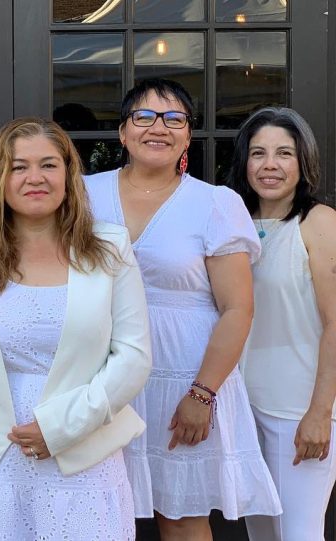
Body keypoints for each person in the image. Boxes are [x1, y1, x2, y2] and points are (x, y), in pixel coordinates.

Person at [0, 117, 151, 540]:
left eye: (49, 165)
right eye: (19, 167)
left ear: (69, 176)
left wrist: (62, 428)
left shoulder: (111, 247)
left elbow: (134, 355)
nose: (35, 177)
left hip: (84, 452)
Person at [85, 78, 280, 539]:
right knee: (96, 508)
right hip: (101, 377)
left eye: (174, 118)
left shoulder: (214, 203)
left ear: (188, 135)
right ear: (123, 132)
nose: (159, 127)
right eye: (145, 116)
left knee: (181, 517)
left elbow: (238, 309)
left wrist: (202, 394)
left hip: (185, 382)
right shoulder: (82, 194)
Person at [226, 107, 336, 541]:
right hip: (242, 408)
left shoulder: (319, 222)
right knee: (261, 535)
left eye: (283, 153)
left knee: (299, 535)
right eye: (258, 153)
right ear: (245, 162)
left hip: (299, 410)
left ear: (302, 161)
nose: (269, 164)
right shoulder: (233, 223)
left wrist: (320, 414)